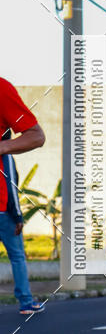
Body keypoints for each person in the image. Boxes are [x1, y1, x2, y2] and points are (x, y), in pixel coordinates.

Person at [0, 79, 46, 315]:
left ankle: (26, 301)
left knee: (17, 257)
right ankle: (26, 301)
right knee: (17, 257)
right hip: (7, 212)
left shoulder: (5, 154)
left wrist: (16, 215)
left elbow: (37, 136)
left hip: (3, 211)